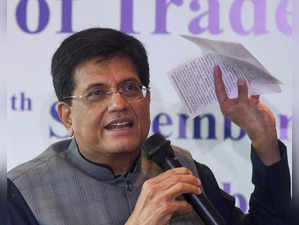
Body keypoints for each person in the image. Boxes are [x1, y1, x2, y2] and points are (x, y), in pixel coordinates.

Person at [8, 28, 291, 225]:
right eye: (97, 92)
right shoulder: (22, 194)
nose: (119, 103)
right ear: (67, 116)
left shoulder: (180, 169)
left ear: (147, 100)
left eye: (130, 87)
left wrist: (264, 142)